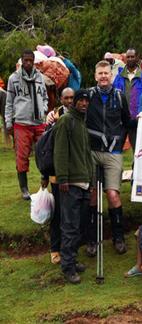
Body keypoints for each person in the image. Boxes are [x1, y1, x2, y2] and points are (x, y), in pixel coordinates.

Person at [86, 60, 131, 255]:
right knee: (93, 194)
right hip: (93, 151)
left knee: (112, 195)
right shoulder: (88, 96)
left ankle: (118, 237)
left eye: (107, 73)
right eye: (100, 73)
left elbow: (127, 122)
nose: (104, 76)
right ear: (95, 76)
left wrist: (119, 143)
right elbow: (74, 112)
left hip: (113, 152)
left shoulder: (120, 96)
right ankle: (92, 239)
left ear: (111, 76)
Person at [53, 89, 94, 284]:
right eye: (81, 101)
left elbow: (87, 155)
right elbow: (60, 152)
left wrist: (92, 181)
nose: (84, 104)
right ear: (74, 102)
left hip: (84, 182)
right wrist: (62, 178)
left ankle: (72, 259)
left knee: (77, 226)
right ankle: (67, 266)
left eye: (87, 101)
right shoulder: (66, 121)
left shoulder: (81, 122)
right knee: (69, 226)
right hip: (70, 183)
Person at [5, 49, 49, 200]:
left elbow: (45, 97)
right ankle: (24, 189)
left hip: (38, 122)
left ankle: (44, 184)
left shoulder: (40, 77)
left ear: (34, 61)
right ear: (22, 61)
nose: (28, 63)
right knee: (22, 156)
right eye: (26, 60)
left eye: (31, 60)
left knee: (44, 153)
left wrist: (43, 109)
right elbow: (9, 102)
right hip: (22, 123)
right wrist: (8, 121)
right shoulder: (13, 78)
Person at [43, 87, 75, 265]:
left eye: (72, 98)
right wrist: (45, 175)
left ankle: (70, 248)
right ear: (61, 99)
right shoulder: (53, 117)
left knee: (72, 213)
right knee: (58, 214)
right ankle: (55, 248)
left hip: (75, 173)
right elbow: (46, 147)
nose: (70, 101)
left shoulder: (80, 115)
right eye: (66, 98)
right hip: (57, 174)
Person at [112, 48, 142, 151]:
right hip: (121, 120)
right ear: (125, 59)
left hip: (136, 120)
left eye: (132, 56)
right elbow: (114, 96)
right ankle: (117, 168)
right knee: (116, 150)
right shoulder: (119, 77)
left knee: (138, 151)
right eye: (128, 57)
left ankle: (135, 167)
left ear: (137, 58)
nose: (130, 59)